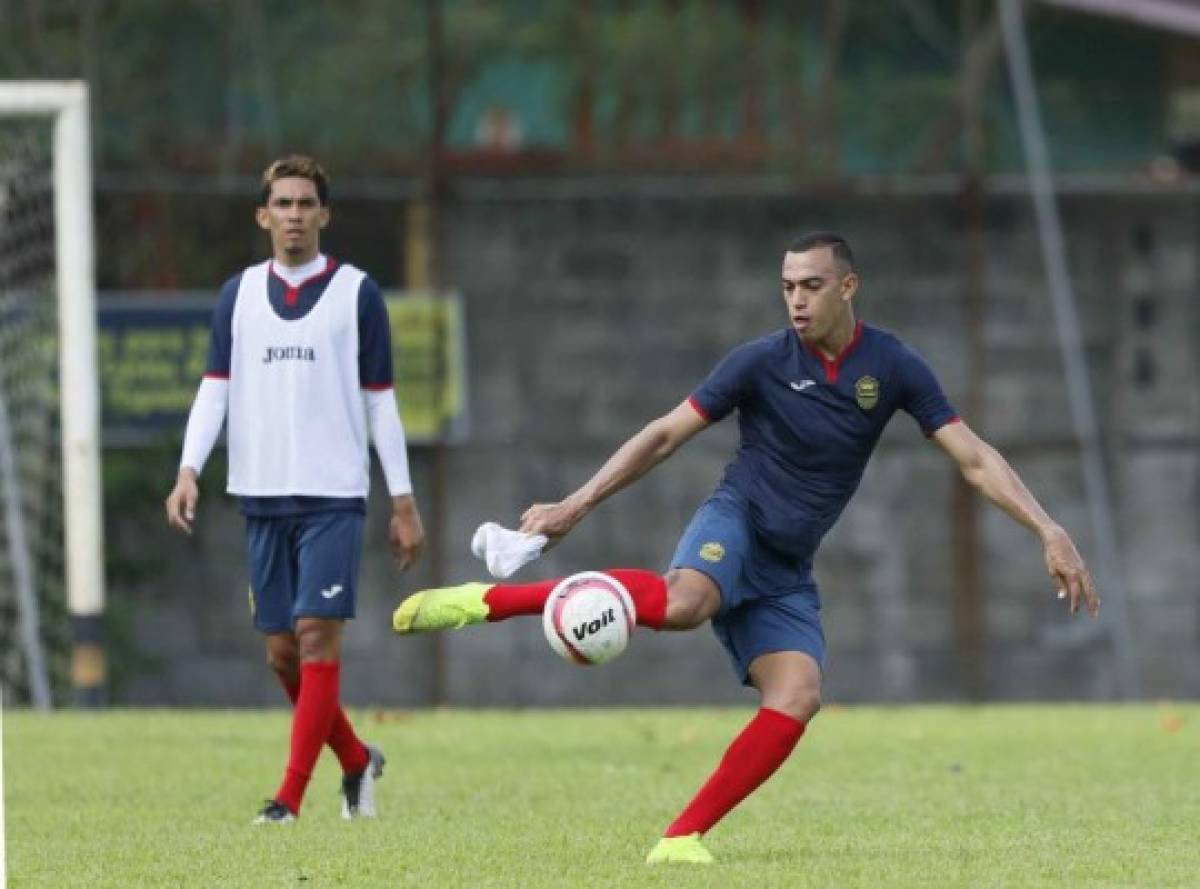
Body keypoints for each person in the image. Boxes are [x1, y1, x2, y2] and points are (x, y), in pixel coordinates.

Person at [391, 231, 1098, 863]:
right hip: (737, 520)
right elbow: (666, 433)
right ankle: (485, 600)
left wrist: (1048, 527)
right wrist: (578, 501)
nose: (795, 299)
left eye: (811, 285)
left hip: (787, 567)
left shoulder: (894, 366)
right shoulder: (760, 361)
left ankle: (679, 838)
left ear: (847, 287)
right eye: (787, 285)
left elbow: (972, 456)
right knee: (684, 602)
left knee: (798, 695)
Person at [165, 155, 425, 824]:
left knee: (315, 637)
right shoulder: (239, 294)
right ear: (263, 215)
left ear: (324, 214)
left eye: (307, 203)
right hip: (261, 495)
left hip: (334, 497)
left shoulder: (357, 293)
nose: (295, 215)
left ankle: (287, 799)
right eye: (282, 203)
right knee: (282, 652)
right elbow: (214, 389)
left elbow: (380, 403)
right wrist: (189, 467)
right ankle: (357, 758)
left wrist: (402, 498)